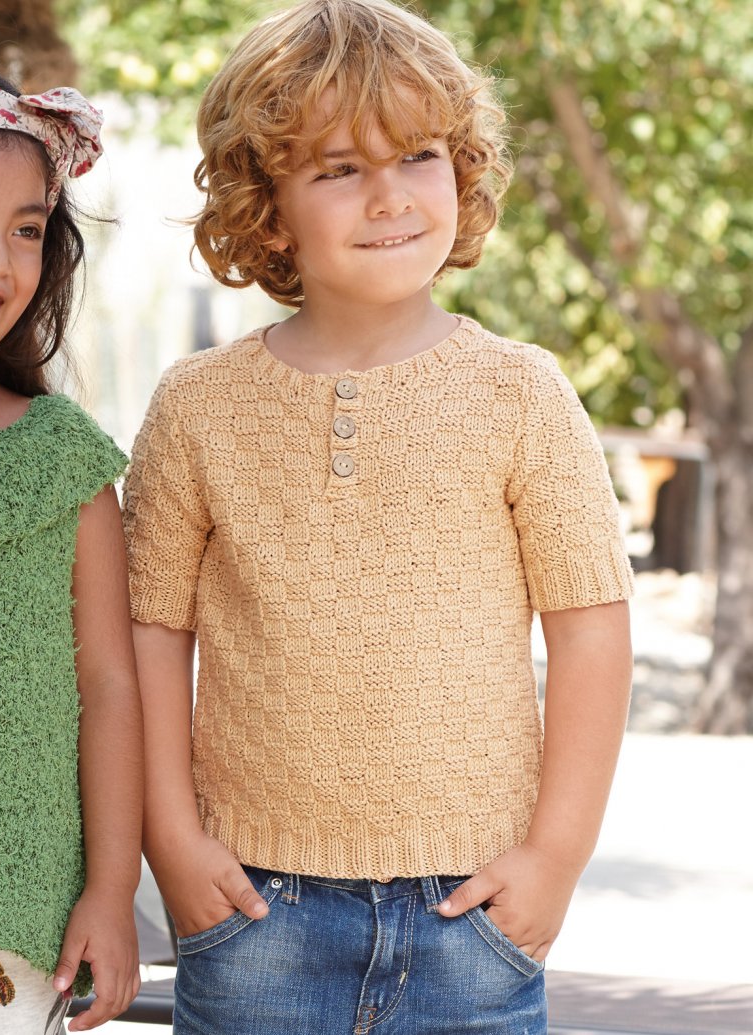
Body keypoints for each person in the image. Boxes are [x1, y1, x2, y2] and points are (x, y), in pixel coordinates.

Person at [123, 1, 634, 1031]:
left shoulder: (522, 394)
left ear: (463, 173)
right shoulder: (196, 407)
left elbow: (591, 630)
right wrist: (170, 840)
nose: (390, 195)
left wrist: (554, 856)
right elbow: (148, 633)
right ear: (268, 208)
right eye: (339, 168)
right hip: (253, 911)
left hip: (469, 912)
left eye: (417, 156)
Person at [0, 65, 143, 1034]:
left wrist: (111, 890)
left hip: (7, 932)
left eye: (26, 229)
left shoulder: (62, 460)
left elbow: (108, 688)